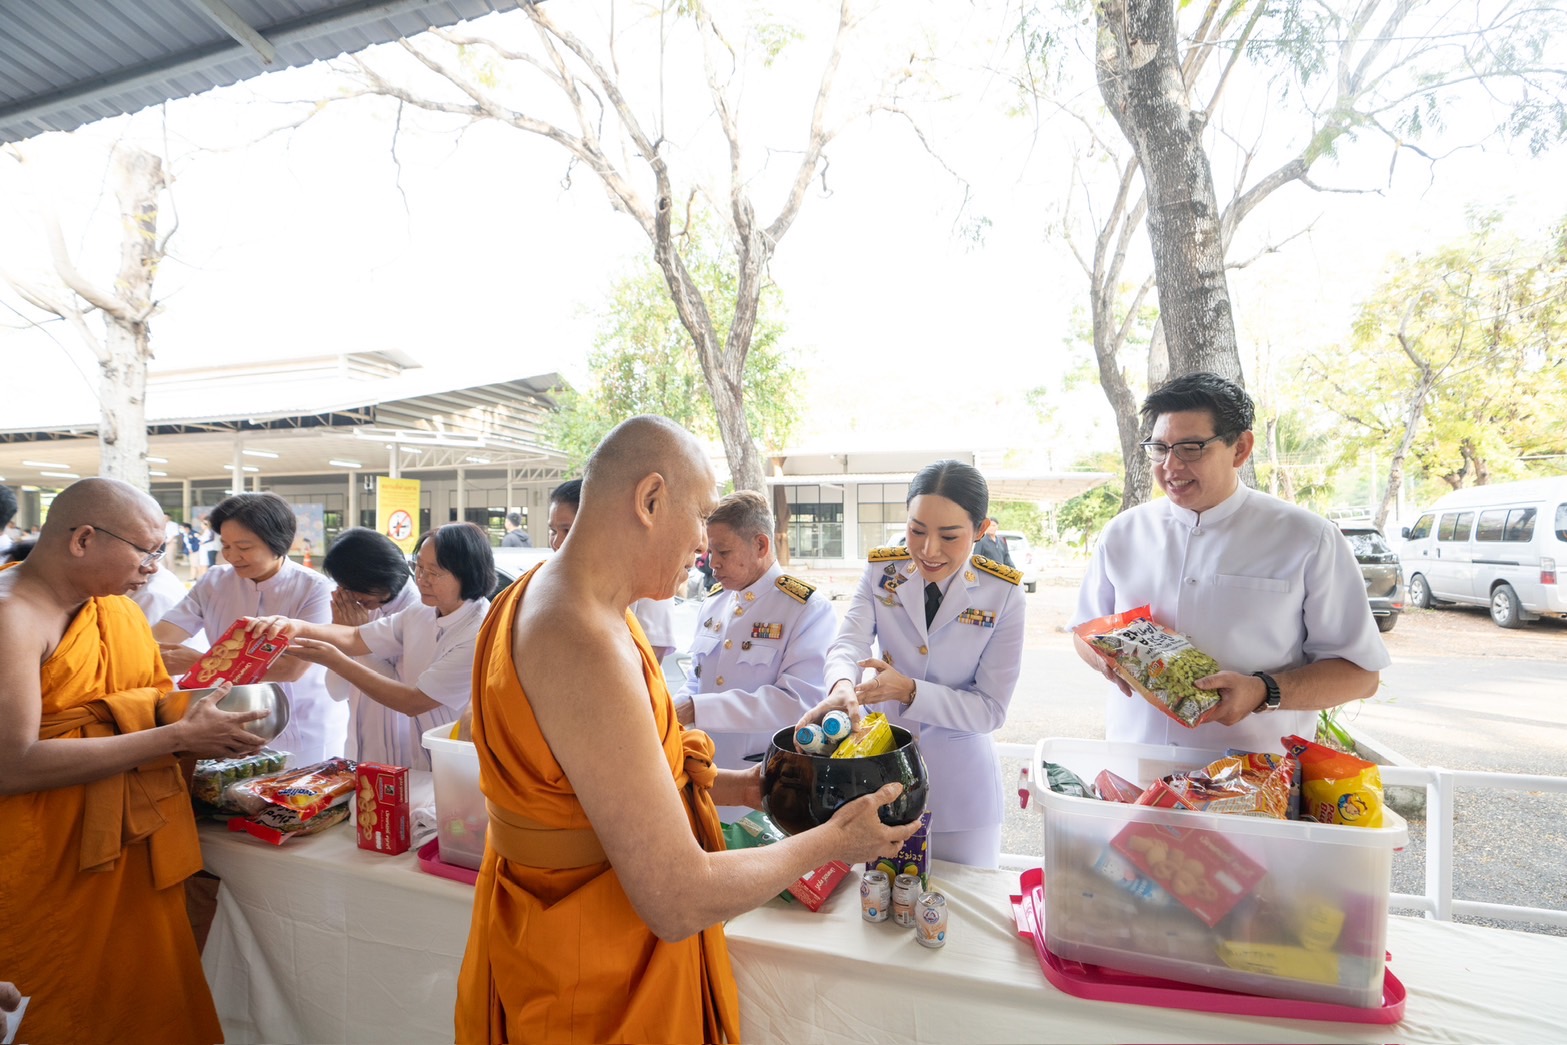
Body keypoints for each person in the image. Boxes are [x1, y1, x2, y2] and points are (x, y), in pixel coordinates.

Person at [454, 416, 917, 1044]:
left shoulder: (562, 598)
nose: (703, 546)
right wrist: (832, 842)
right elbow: (676, 899)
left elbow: (618, 779)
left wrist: (750, 786)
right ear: (649, 500)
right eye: (700, 517)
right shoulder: (582, 639)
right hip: (592, 964)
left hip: (559, 925)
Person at [0, 477, 267, 1043]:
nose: (153, 567)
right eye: (146, 551)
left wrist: (205, 718)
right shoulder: (11, 617)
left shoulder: (113, 612)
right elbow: (11, 764)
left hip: (124, 842)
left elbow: (144, 700)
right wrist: (174, 738)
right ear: (83, 539)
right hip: (43, 851)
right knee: (56, 1007)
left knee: (139, 1002)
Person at [1072, 371, 1390, 751]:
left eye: (1191, 448)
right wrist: (1106, 660)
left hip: (1256, 775)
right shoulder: (1123, 533)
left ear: (1240, 448)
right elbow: (1084, 630)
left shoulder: (1307, 538)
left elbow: (1360, 675)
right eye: (1159, 448)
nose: (1170, 466)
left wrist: (1263, 691)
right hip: (1135, 761)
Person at [801, 460, 1027, 869]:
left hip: (961, 794)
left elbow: (990, 709)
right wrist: (841, 686)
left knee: (959, 903)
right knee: (875, 897)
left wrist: (909, 692)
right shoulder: (882, 572)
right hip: (879, 779)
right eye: (917, 530)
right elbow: (849, 641)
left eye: (949, 536)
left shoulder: (1003, 594)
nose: (928, 550)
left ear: (980, 529)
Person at [247, 523, 494, 770]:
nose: (422, 580)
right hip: (410, 756)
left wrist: (336, 659)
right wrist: (296, 626)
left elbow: (413, 701)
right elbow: (357, 637)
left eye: (434, 572)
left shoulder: (478, 630)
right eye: (418, 567)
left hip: (454, 760)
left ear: (467, 573)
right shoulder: (422, 611)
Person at [674, 491, 837, 821]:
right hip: (702, 775)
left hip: (760, 784)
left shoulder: (806, 609)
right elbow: (697, 679)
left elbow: (799, 703)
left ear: (761, 545)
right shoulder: (716, 602)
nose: (712, 563)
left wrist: (696, 708)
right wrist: (669, 711)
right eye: (709, 551)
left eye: (723, 551)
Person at [154, 492, 344, 763]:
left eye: (244, 547)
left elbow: (290, 668)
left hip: (304, 725)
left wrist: (201, 664)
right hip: (229, 721)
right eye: (226, 545)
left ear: (277, 543)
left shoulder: (315, 589)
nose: (232, 556)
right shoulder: (214, 581)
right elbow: (161, 636)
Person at [548, 477, 679, 661]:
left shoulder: (647, 577)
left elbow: (651, 654)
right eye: (553, 531)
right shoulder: (550, 581)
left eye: (567, 530)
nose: (557, 542)